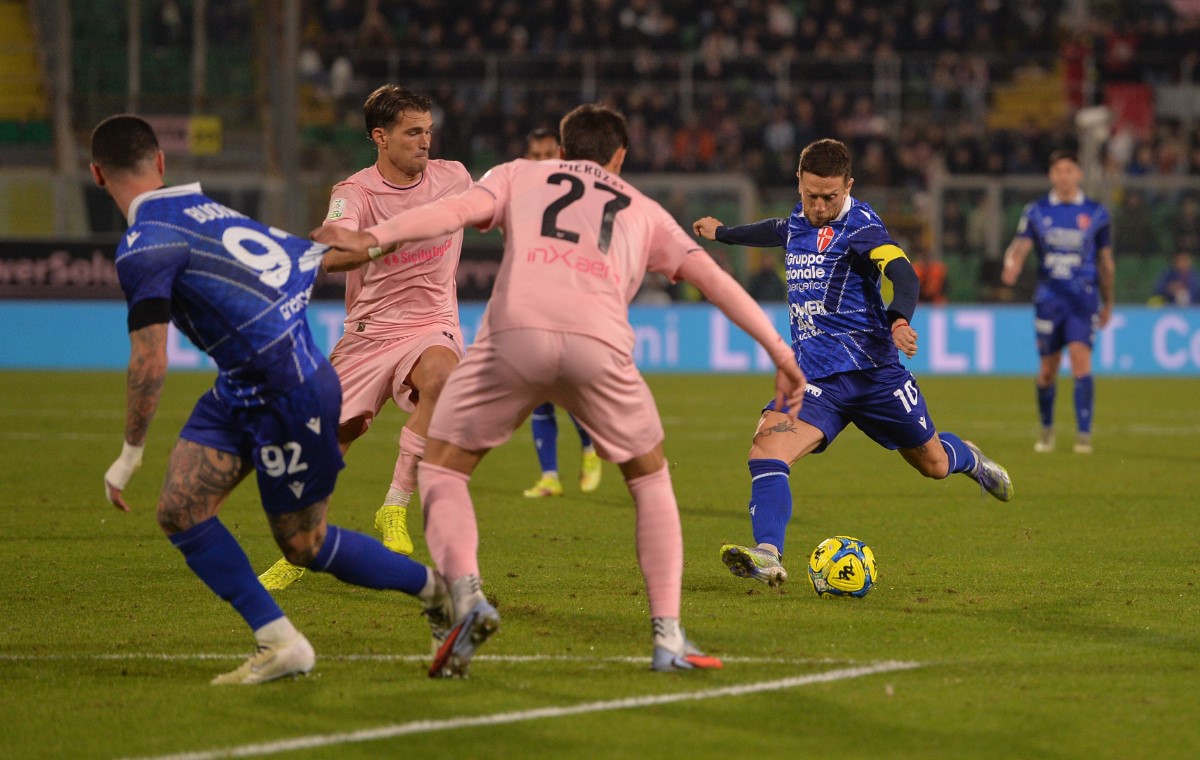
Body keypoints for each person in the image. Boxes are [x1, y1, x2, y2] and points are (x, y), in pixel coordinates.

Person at [313, 104, 807, 677]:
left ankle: (467, 597)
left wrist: (371, 236)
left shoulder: (517, 173)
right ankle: (668, 638)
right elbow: (714, 281)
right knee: (650, 480)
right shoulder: (643, 210)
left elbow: (448, 213)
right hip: (598, 344)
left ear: (564, 147)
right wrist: (779, 350)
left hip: (513, 335)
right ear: (619, 157)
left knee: (444, 469)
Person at [93, 114, 450, 685]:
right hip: (243, 384)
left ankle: (439, 593)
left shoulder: (143, 244)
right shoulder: (203, 209)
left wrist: (131, 451)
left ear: (96, 174)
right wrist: (360, 243)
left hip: (286, 391)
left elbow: (149, 359)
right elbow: (304, 262)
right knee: (181, 509)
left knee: (305, 543)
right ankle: (281, 642)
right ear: (160, 164)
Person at [693, 138, 1012, 588]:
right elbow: (775, 229)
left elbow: (901, 271)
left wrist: (899, 317)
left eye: (830, 197)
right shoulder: (800, 220)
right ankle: (767, 554)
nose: (820, 206)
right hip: (817, 382)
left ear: (849, 186)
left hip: (875, 376)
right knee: (766, 448)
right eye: (811, 195)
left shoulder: (861, 227)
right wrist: (724, 233)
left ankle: (971, 461)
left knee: (934, 464)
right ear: (799, 184)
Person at [257, 85, 472, 590]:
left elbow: (499, 205)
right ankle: (298, 550)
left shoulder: (454, 177)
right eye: (412, 133)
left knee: (443, 376)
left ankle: (394, 506)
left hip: (430, 321)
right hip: (369, 330)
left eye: (428, 131)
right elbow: (332, 257)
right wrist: (383, 241)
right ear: (380, 137)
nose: (425, 142)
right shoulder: (354, 193)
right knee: (334, 440)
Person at [1001, 149, 1115, 454]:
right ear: (1052, 176)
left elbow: (1106, 260)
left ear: (1079, 174)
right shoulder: (1037, 211)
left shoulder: (1096, 213)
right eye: (1058, 171)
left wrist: (1109, 300)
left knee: (1081, 362)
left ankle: (1083, 435)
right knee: (1048, 371)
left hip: (1084, 299)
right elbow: (1022, 245)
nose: (1064, 176)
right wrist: (1013, 264)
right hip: (1049, 299)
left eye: (1069, 170)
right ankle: (1047, 429)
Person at [519, 126, 603, 499]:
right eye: (534, 156)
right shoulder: (521, 196)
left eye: (546, 155)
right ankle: (550, 476)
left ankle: (589, 447)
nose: (540, 163)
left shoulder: (582, 197)